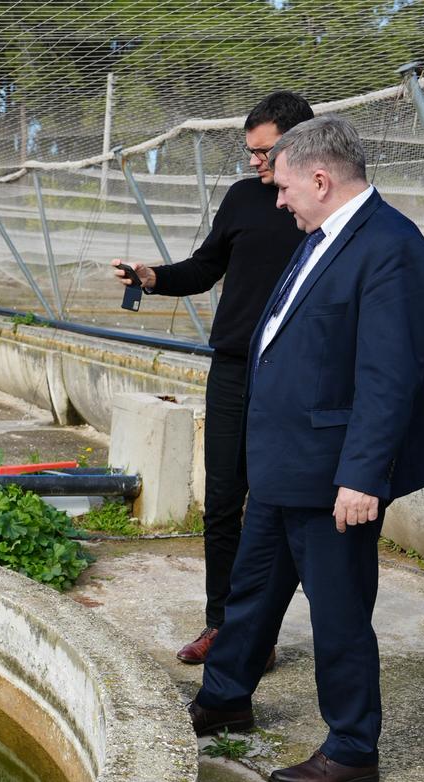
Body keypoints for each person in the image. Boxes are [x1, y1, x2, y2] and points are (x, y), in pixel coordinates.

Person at [186, 114, 424, 782]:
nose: (278, 200)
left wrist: (363, 476)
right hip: (284, 463)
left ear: (321, 179)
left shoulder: (390, 245)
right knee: (251, 592)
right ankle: (225, 696)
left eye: (285, 187)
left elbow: (390, 375)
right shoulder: (320, 238)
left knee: (338, 612)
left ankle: (353, 747)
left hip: (333, 475)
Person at [112, 91, 314, 667]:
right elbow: (206, 267)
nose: (253, 161)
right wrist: (153, 277)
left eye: (263, 151)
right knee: (223, 502)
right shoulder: (244, 198)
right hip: (232, 368)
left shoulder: (320, 207)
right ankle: (221, 625)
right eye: (250, 151)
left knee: (276, 506)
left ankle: (261, 634)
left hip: (293, 375)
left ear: (299, 144)